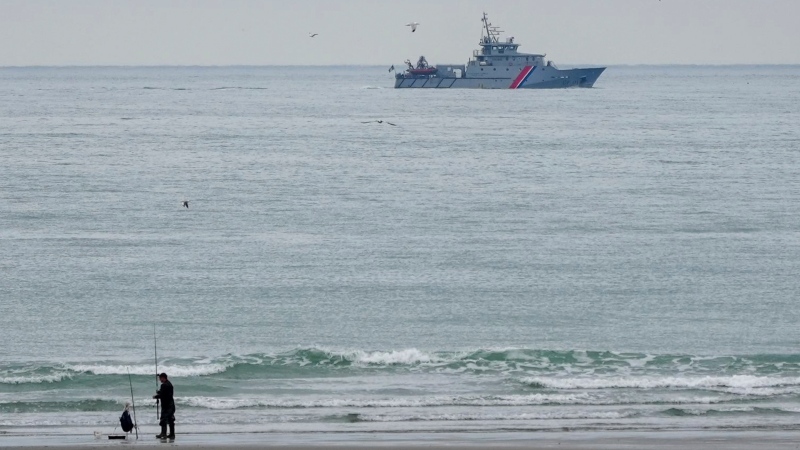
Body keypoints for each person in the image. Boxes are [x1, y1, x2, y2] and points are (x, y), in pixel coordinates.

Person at [152, 372, 175, 439]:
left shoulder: (164, 385)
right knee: (171, 419)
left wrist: (156, 396)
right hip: (171, 405)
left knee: (163, 419)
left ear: (163, 378)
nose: (160, 380)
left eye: (160, 378)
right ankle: (172, 434)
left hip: (166, 405)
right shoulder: (169, 384)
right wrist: (159, 392)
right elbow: (166, 393)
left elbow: (163, 395)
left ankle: (163, 433)